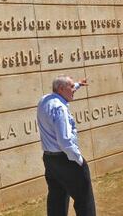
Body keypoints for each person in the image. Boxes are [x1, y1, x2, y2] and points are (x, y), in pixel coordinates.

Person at [37, 75, 96, 216]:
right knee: (84, 199)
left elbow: (67, 88)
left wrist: (78, 84)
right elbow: (64, 141)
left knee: (57, 198)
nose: (73, 89)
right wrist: (79, 160)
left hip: (50, 160)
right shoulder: (60, 108)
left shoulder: (44, 100)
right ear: (61, 89)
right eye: (71, 87)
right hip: (66, 160)